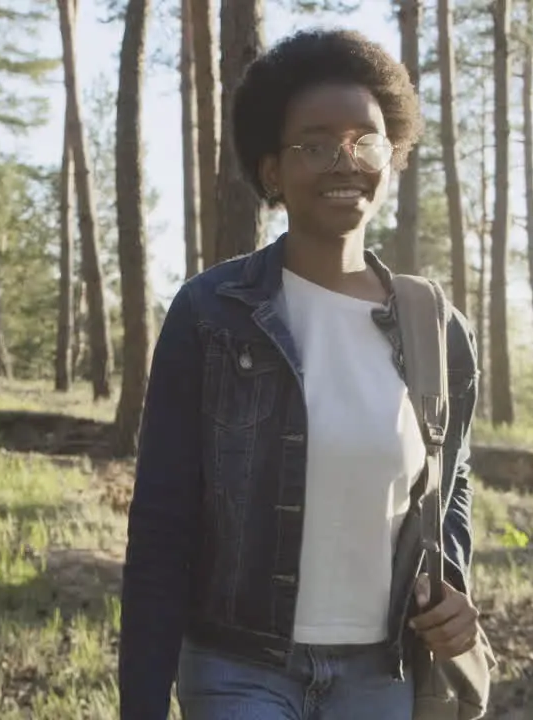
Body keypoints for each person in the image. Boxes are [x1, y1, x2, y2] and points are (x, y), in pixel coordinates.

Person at [118, 27, 482, 720]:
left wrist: (452, 591)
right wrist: (140, 701)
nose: (344, 161)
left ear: (393, 154)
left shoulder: (437, 328)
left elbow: (450, 486)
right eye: (314, 144)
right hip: (238, 669)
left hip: (384, 673)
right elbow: (163, 524)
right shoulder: (211, 315)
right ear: (272, 173)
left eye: (365, 140)